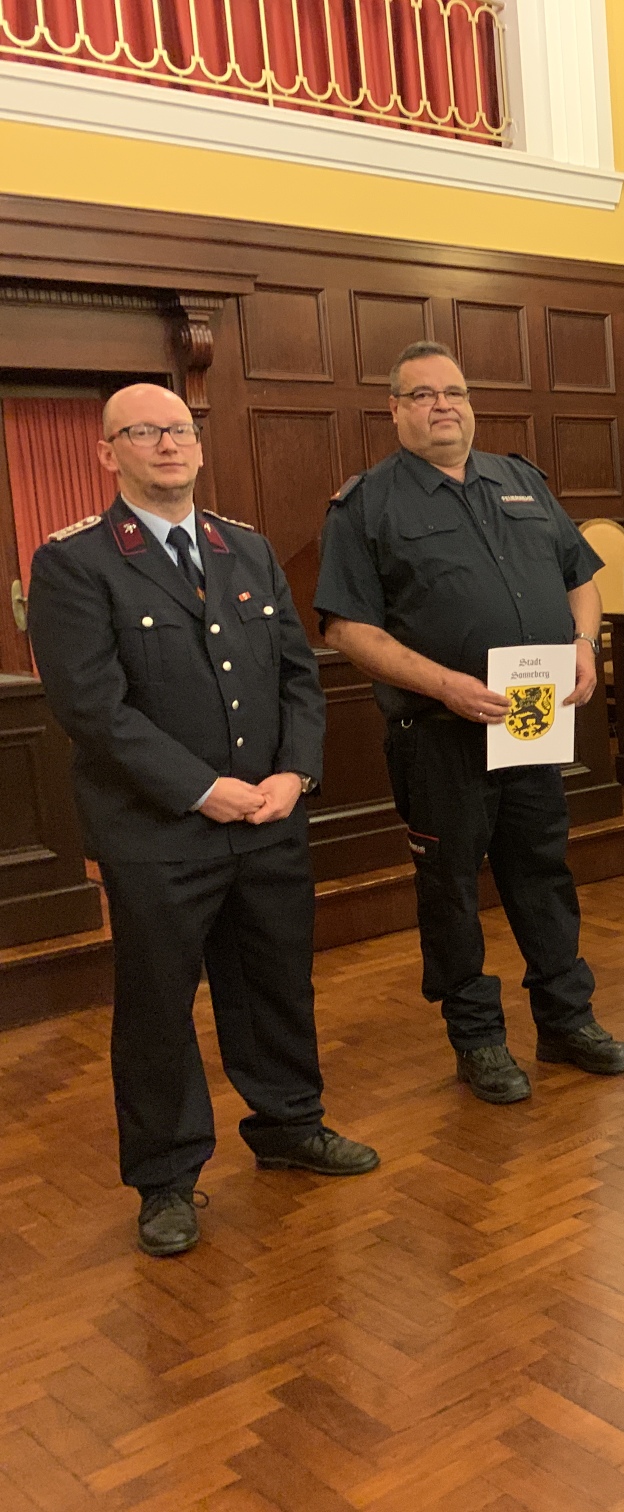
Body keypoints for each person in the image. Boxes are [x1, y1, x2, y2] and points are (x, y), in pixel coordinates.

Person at [28, 384, 378, 1258]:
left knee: (274, 984)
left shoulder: (246, 548)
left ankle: (291, 1125)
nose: (168, 445)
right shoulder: (75, 562)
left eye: (180, 430)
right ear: (109, 453)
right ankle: (167, 1178)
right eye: (144, 433)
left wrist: (296, 773)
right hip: (158, 832)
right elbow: (92, 708)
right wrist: (201, 789)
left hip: (267, 817)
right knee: (157, 1008)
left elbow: (299, 673)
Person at [315, 341, 624, 1101]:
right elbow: (346, 629)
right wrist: (445, 684)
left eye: (453, 391)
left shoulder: (519, 480)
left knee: (543, 874)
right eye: (421, 395)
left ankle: (565, 1019)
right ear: (394, 409)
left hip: (531, 720)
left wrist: (585, 645)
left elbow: (580, 578)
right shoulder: (368, 505)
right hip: (439, 732)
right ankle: (478, 1040)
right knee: (451, 890)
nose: (442, 406)